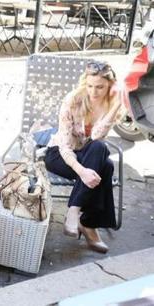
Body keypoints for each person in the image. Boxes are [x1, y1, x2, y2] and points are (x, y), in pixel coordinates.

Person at [45, 61, 123, 254]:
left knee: (100, 152)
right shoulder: (73, 100)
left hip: (89, 154)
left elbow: (95, 137)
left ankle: (76, 213)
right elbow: (64, 146)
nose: (94, 92)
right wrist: (82, 171)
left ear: (110, 86)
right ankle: (87, 223)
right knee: (106, 166)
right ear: (84, 84)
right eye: (90, 86)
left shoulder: (112, 104)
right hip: (60, 155)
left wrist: (116, 106)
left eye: (100, 87)